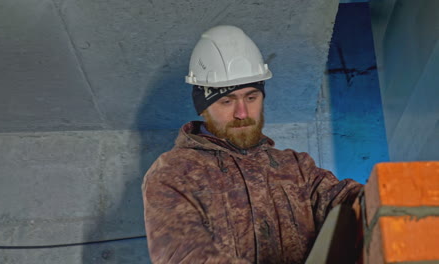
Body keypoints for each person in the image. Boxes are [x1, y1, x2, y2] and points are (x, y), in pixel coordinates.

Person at [142, 25, 362, 264]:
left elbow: (347, 201)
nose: (242, 113)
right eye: (227, 101)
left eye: (251, 97)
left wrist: (387, 197)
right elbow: (185, 256)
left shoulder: (295, 167)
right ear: (204, 107)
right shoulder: (173, 173)